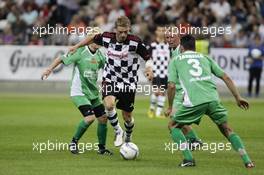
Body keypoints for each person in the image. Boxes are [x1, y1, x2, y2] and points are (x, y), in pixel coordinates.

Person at [166, 34, 254, 168]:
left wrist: (170, 106)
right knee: (226, 129)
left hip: (195, 101)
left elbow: (171, 86)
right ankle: (248, 161)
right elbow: (225, 77)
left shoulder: (176, 59)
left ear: (182, 47)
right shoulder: (205, 58)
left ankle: (189, 159)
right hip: (213, 98)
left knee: (173, 126)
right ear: (195, 47)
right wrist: (238, 97)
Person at [69, 16, 153, 147]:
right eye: (120, 32)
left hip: (128, 82)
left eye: (126, 31)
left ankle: (128, 135)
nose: (123, 34)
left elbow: (148, 57)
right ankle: (118, 131)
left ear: (129, 29)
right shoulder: (107, 37)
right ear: (115, 30)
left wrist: (149, 68)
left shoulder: (135, 42)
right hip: (110, 78)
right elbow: (92, 38)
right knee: (108, 105)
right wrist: (77, 46)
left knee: (127, 117)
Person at [41, 43, 112, 155]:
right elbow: (61, 58)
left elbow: (109, 70)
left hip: (93, 93)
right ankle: (73, 142)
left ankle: (102, 149)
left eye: (100, 40)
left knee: (103, 118)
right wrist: (49, 69)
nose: (98, 42)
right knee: (90, 118)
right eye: (95, 38)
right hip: (78, 92)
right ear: (89, 39)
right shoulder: (80, 52)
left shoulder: (100, 55)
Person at [165, 30, 202, 149]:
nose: (169, 39)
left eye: (172, 37)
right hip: (181, 91)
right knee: (177, 118)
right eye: (167, 37)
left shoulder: (179, 52)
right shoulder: (174, 51)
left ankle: (192, 144)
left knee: (175, 119)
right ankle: (194, 141)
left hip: (182, 91)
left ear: (179, 38)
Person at [147, 26, 170, 118]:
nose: (161, 32)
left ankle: (158, 112)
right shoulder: (152, 45)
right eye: (160, 30)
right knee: (157, 91)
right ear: (156, 32)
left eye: (163, 30)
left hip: (165, 72)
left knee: (163, 92)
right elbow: (148, 59)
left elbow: (171, 59)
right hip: (155, 72)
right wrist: (149, 70)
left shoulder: (168, 46)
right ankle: (152, 109)